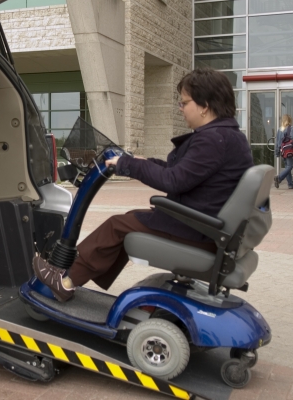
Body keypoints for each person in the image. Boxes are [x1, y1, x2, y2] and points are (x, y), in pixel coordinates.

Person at [33, 68, 254, 301]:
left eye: (184, 103)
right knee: (131, 220)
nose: (181, 110)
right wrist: (142, 162)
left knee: (117, 225)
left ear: (204, 105)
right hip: (207, 227)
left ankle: (66, 282)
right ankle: (80, 275)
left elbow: (174, 180)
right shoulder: (229, 136)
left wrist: (129, 166)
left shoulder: (212, 139)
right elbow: (184, 172)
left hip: (198, 230)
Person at [274, 115, 293, 189]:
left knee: (287, 166)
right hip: (289, 150)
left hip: (283, 151)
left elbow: (277, 142)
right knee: (289, 166)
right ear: (289, 120)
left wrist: (277, 152)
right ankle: (279, 178)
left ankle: (291, 184)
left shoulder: (280, 129)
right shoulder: (291, 128)